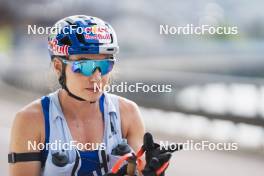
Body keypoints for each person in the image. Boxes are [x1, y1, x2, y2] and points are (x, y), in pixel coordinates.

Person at [8, 15, 175, 176]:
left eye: (104, 64)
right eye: (84, 66)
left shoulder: (128, 113)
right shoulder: (31, 120)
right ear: (58, 67)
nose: (96, 78)